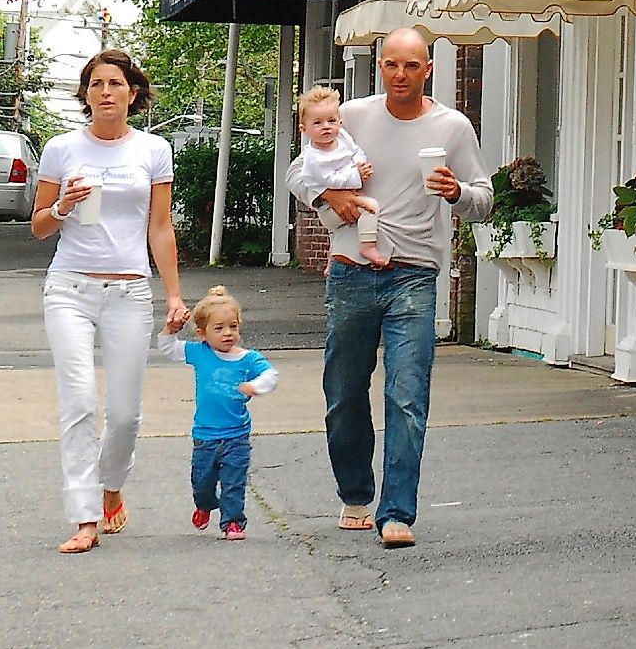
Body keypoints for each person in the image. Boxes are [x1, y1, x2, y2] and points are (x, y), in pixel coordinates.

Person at [286, 28, 489, 548]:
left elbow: (484, 199)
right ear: (380, 67)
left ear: (429, 69)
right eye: (391, 65)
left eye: (412, 66)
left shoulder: (452, 125)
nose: (401, 75)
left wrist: (457, 191)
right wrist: (331, 195)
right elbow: (297, 172)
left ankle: (396, 512)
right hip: (352, 271)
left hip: (415, 274)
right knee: (343, 393)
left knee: (406, 394)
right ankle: (356, 492)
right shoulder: (351, 116)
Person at [30, 49, 189, 554]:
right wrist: (62, 205)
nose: (105, 93)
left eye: (115, 84)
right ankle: (85, 516)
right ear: (85, 94)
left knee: (123, 414)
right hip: (69, 288)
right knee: (78, 402)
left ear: (132, 92)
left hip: (129, 291)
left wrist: (174, 295)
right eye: (95, 84)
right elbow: (38, 226)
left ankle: (112, 486)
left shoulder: (154, 150)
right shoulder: (61, 149)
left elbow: (159, 227)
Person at [181, 286, 278, 540]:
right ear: (203, 333)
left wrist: (256, 386)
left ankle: (233, 522)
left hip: (236, 436)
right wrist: (169, 330)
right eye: (219, 328)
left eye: (233, 327)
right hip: (205, 435)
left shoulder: (248, 359)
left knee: (234, 483)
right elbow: (168, 348)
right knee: (202, 482)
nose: (227, 334)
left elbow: (271, 375)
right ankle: (204, 505)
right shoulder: (200, 353)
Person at [296, 85, 384, 266]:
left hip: (349, 191)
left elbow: (355, 151)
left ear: (340, 122)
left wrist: (360, 163)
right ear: (303, 129)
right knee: (371, 208)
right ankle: (368, 246)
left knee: (337, 233)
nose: (326, 127)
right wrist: (356, 175)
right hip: (329, 207)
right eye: (317, 123)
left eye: (331, 121)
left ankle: (331, 259)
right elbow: (330, 181)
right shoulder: (314, 157)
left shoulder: (342, 137)